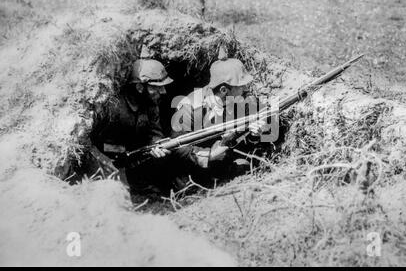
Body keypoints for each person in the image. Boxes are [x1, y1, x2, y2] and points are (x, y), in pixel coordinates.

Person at [170, 55, 269, 187]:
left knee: (246, 168)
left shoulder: (243, 99)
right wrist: (209, 155)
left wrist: (255, 134)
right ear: (224, 90)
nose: (245, 89)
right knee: (185, 186)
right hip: (193, 168)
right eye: (240, 85)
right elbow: (177, 148)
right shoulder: (190, 107)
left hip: (226, 162)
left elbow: (254, 138)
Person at [87, 58, 174, 194]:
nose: (163, 91)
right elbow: (87, 140)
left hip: (131, 157)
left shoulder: (152, 104)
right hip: (104, 157)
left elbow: (154, 132)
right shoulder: (112, 107)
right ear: (139, 87)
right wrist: (105, 161)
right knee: (116, 193)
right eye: (156, 87)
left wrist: (157, 145)